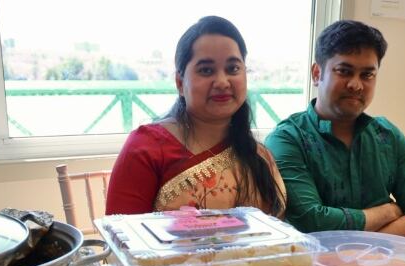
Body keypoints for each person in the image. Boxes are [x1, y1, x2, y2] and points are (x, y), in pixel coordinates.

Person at [265, 20, 405, 241]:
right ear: (317, 73)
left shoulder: (387, 136)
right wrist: (388, 212)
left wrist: (363, 252)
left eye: (367, 75)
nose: (356, 85)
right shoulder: (288, 139)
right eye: (344, 71)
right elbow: (312, 222)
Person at [105, 16, 286, 217]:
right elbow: (123, 237)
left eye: (233, 68)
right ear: (180, 83)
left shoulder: (259, 155)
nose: (222, 82)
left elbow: (277, 233)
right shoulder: (146, 148)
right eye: (206, 70)